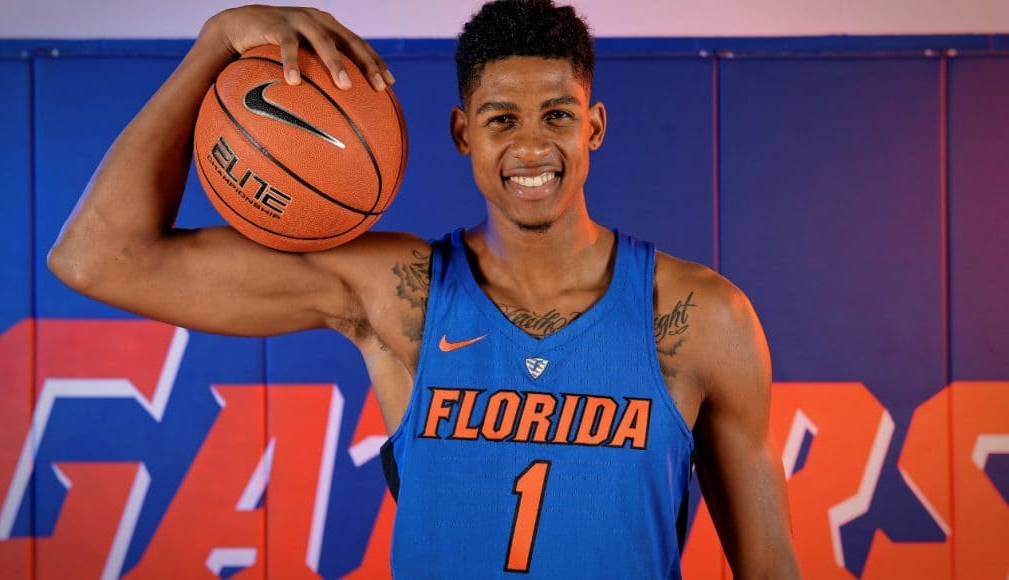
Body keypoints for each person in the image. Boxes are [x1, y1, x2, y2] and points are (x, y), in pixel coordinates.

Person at [48, 0, 801, 577]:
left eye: (558, 117)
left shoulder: (699, 316)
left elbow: (769, 570)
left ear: (593, 127)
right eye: (501, 119)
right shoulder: (395, 293)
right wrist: (215, 42)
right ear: (461, 132)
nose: (532, 146)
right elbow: (98, 257)